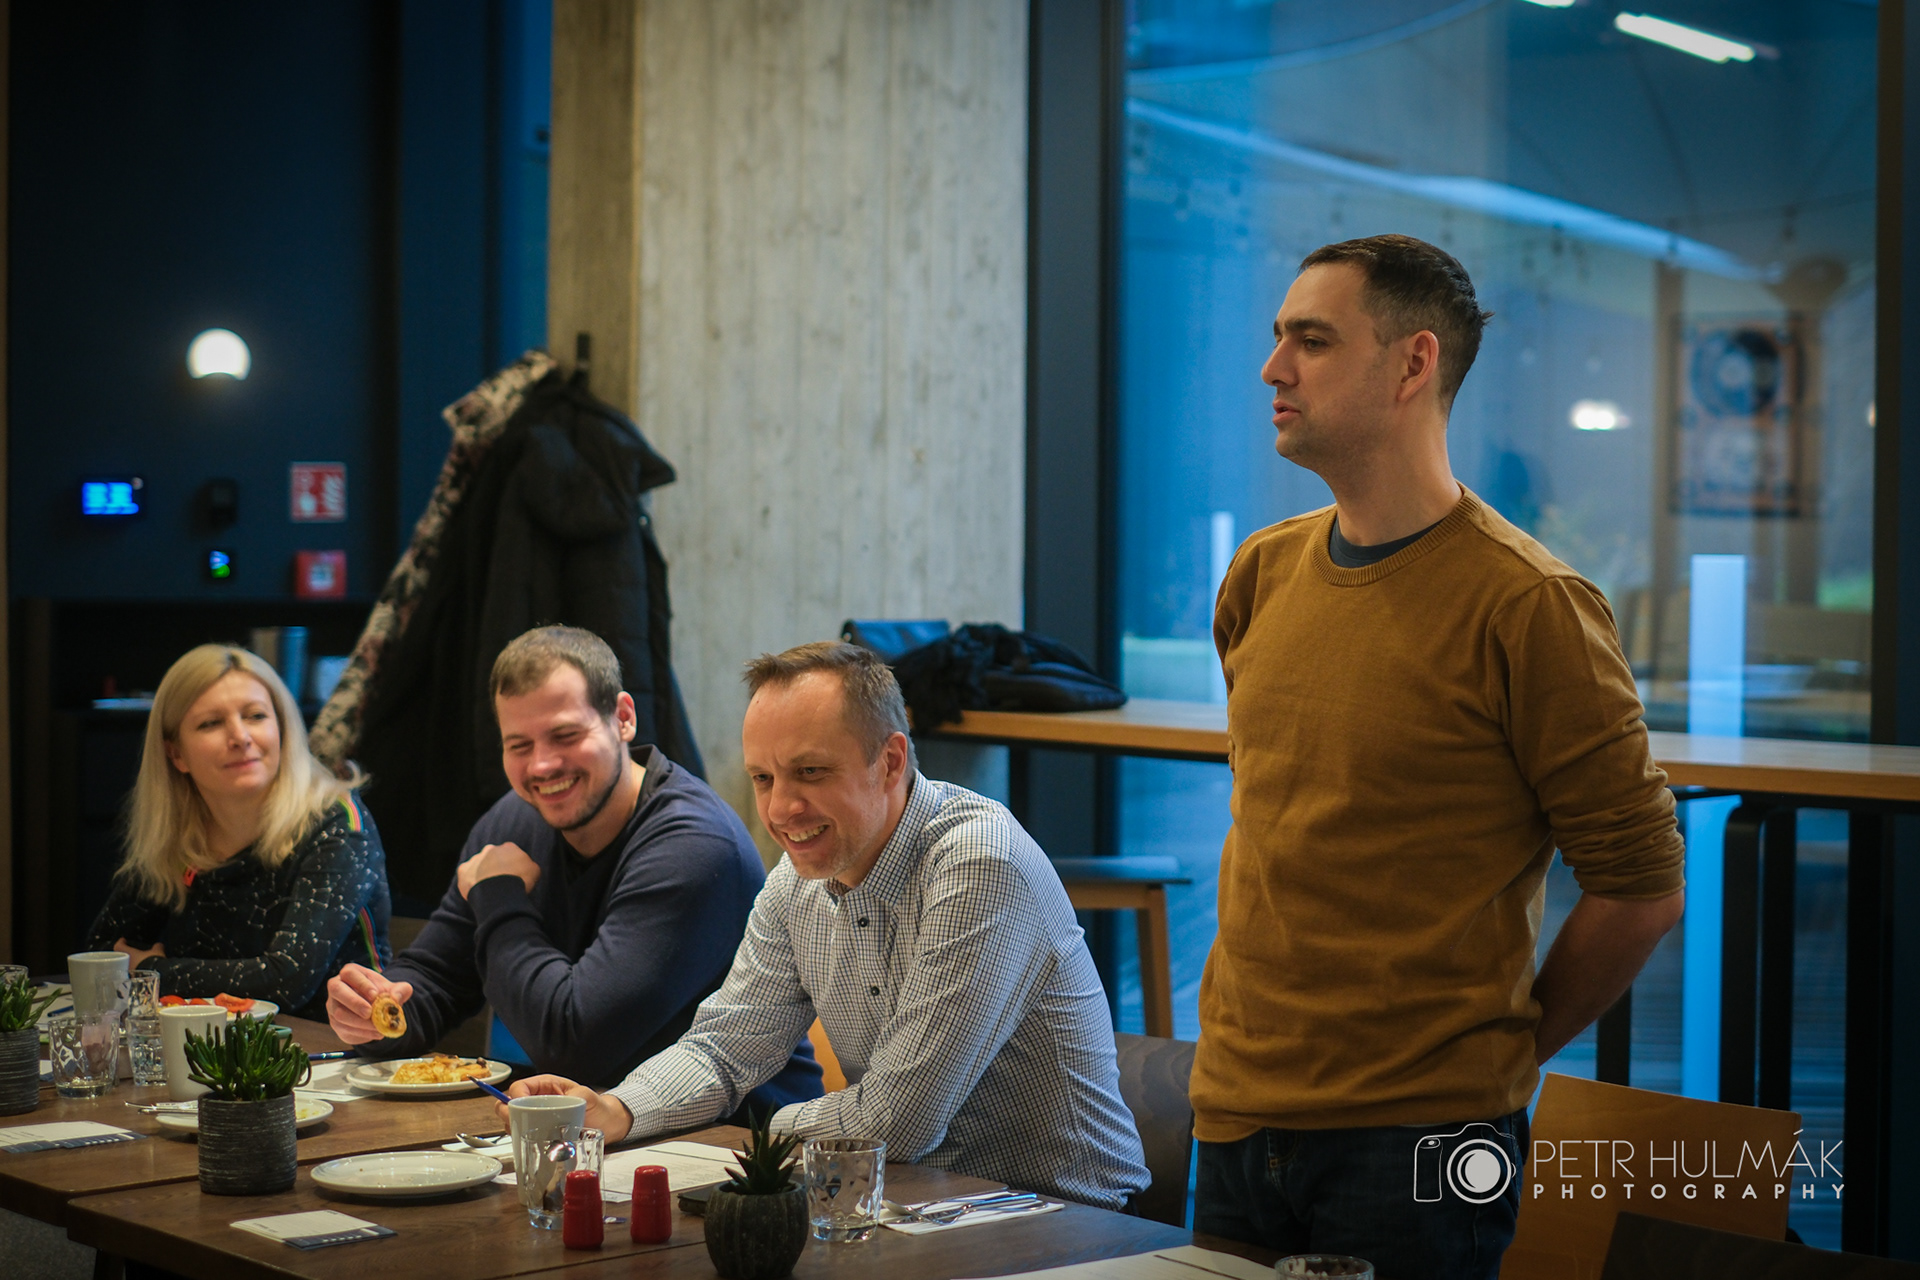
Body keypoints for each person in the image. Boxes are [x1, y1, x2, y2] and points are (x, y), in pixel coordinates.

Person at [1193, 234, 1686, 1276]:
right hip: (1235, 1107)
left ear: (1413, 362)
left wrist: (1495, 1058)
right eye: (1280, 337)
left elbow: (1641, 886)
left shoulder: (1529, 604)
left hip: (1423, 1137)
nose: (1273, 368)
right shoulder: (1261, 574)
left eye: (1312, 341)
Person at [500, 641, 1149, 1211]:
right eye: (763, 778)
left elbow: (898, 1121)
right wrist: (616, 1109)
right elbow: (725, 1048)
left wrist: (769, 1132)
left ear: (890, 761)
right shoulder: (798, 879)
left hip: (1070, 1221)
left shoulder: (980, 861)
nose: (782, 808)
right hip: (909, 1205)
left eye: (810, 772)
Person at [327, 626, 820, 1110]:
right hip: (598, 1129)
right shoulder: (512, 821)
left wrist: (499, 896)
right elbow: (438, 977)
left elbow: (573, 1044)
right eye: (519, 745)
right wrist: (375, 1010)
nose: (541, 766)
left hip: (741, 1139)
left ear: (622, 718)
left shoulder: (695, 845)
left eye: (565, 735)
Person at [86, 645, 391, 1019]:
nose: (240, 736)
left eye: (256, 716)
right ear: (176, 754)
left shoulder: (338, 824)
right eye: (211, 723)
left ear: (282, 729)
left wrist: (153, 971)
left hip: (322, 1046)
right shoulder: (178, 834)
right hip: (202, 1044)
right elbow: (100, 956)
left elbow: (286, 981)